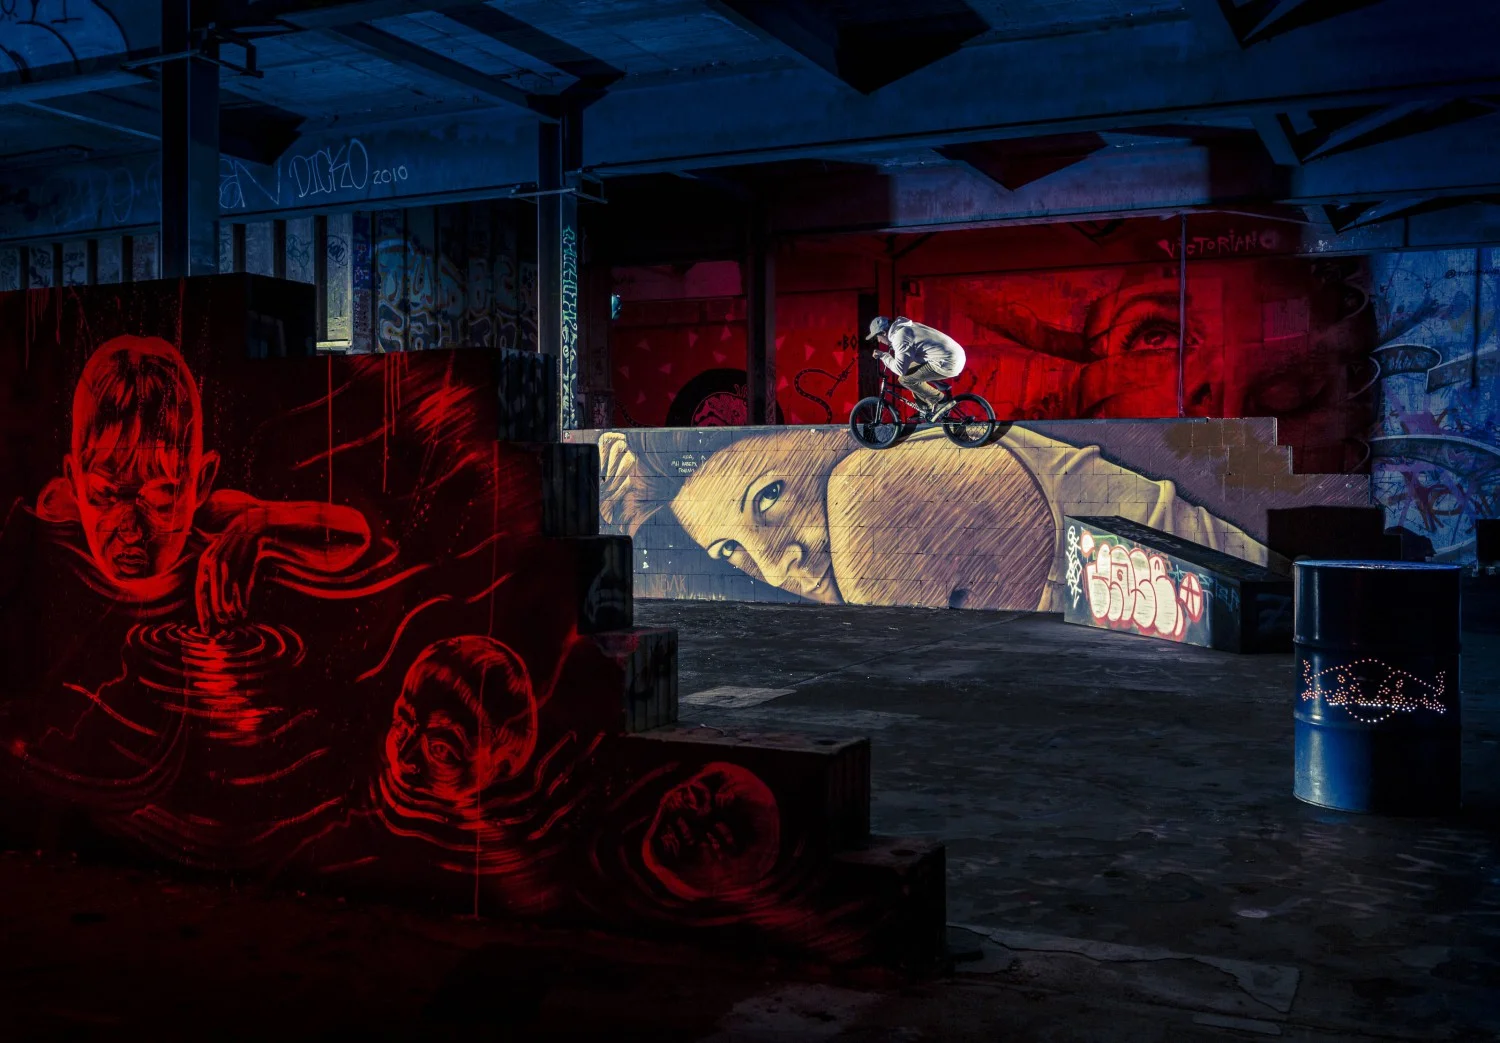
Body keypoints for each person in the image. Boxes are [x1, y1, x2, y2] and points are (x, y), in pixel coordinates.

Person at [598, 424, 1272, 613]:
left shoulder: (872, 490)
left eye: (770, 498)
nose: (777, 563)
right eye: (730, 552)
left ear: (821, 436)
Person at [31, 334, 371, 631]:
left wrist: (257, 528)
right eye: (106, 494)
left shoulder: (212, 520)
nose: (131, 531)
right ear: (75, 482)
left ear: (202, 482)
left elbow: (355, 532)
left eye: (161, 496)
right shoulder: (56, 514)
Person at [866, 315, 968, 419]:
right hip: (955, 356)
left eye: (877, 337)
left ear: (883, 333)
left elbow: (900, 369)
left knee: (905, 379)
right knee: (910, 371)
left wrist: (884, 356)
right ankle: (925, 409)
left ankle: (941, 400)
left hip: (948, 362)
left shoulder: (900, 337)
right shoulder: (907, 327)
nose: (878, 341)